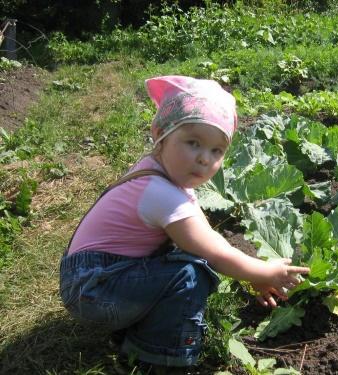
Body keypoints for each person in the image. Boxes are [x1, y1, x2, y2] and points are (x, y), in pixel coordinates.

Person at [59, 75, 310, 370]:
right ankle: (156, 360)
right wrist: (266, 271)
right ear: (159, 133)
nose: (205, 158)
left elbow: (205, 235)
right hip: (92, 290)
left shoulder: (160, 172)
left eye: (217, 150)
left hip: (95, 278)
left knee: (187, 254)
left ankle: (137, 328)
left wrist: (252, 275)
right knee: (191, 273)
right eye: (194, 143)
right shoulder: (160, 193)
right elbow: (215, 253)